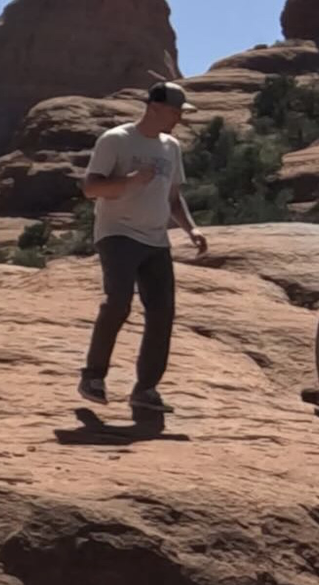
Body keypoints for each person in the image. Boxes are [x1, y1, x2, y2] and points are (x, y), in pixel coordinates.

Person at [77, 81, 208, 413]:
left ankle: (145, 389)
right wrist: (129, 181)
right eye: (175, 111)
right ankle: (93, 376)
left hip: (156, 240)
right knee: (118, 302)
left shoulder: (171, 147)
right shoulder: (116, 141)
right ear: (153, 108)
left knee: (162, 312)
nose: (179, 117)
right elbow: (91, 189)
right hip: (117, 233)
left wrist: (191, 229)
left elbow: (173, 198)